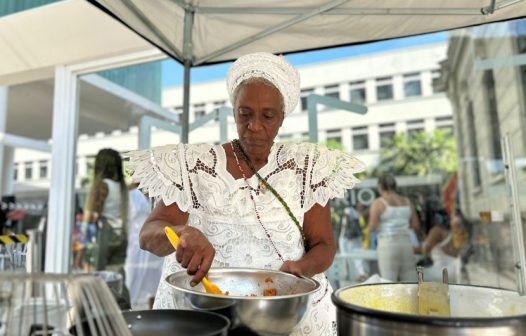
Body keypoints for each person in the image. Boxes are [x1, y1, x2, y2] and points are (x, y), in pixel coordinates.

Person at [127, 52, 365, 335]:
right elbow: (148, 234)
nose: (254, 125)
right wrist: (181, 233)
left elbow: (324, 244)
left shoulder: (308, 167)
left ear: (282, 117)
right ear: (233, 111)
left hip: (287, 315)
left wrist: (300, 269)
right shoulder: (192, 165)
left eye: (268, 116)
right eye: (245, 114)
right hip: (203, 314)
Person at [367, 173, 420, 282]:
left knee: (388, 281)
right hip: (406, 243)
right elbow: (416, 225)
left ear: (380, 187)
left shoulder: (378, 203)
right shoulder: (407, 201)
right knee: (410, 281)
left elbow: (372, 227)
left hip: (388, 244)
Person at [83, 148, 128, 271]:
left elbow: (91, 217)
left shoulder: (101, 185)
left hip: (103, 235)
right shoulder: (122, 187)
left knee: (96, 277)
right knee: (115, 275)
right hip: (121, 235)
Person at [124, 183, 163, 309]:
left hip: (156, 248)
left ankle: (153, 312)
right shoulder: (131, 196)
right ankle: (130, 311)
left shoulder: (160, 194)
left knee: (155, 284)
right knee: (132, 281)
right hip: (136, 246)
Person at [415, 209, 468, 283]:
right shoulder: (453, 233)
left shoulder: (436, 231)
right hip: (455, 271)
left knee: (411, 275)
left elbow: (424, 250)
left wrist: (406, 248)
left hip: (441, 273)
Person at [339, 204, 369, 281]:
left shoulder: (348, 210)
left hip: (348, 237)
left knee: (347, 256)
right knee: (356, 256)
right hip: (356, 237)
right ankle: (360, 273)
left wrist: (345, 227)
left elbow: (346, 222)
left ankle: (358, 273)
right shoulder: (359, 213)